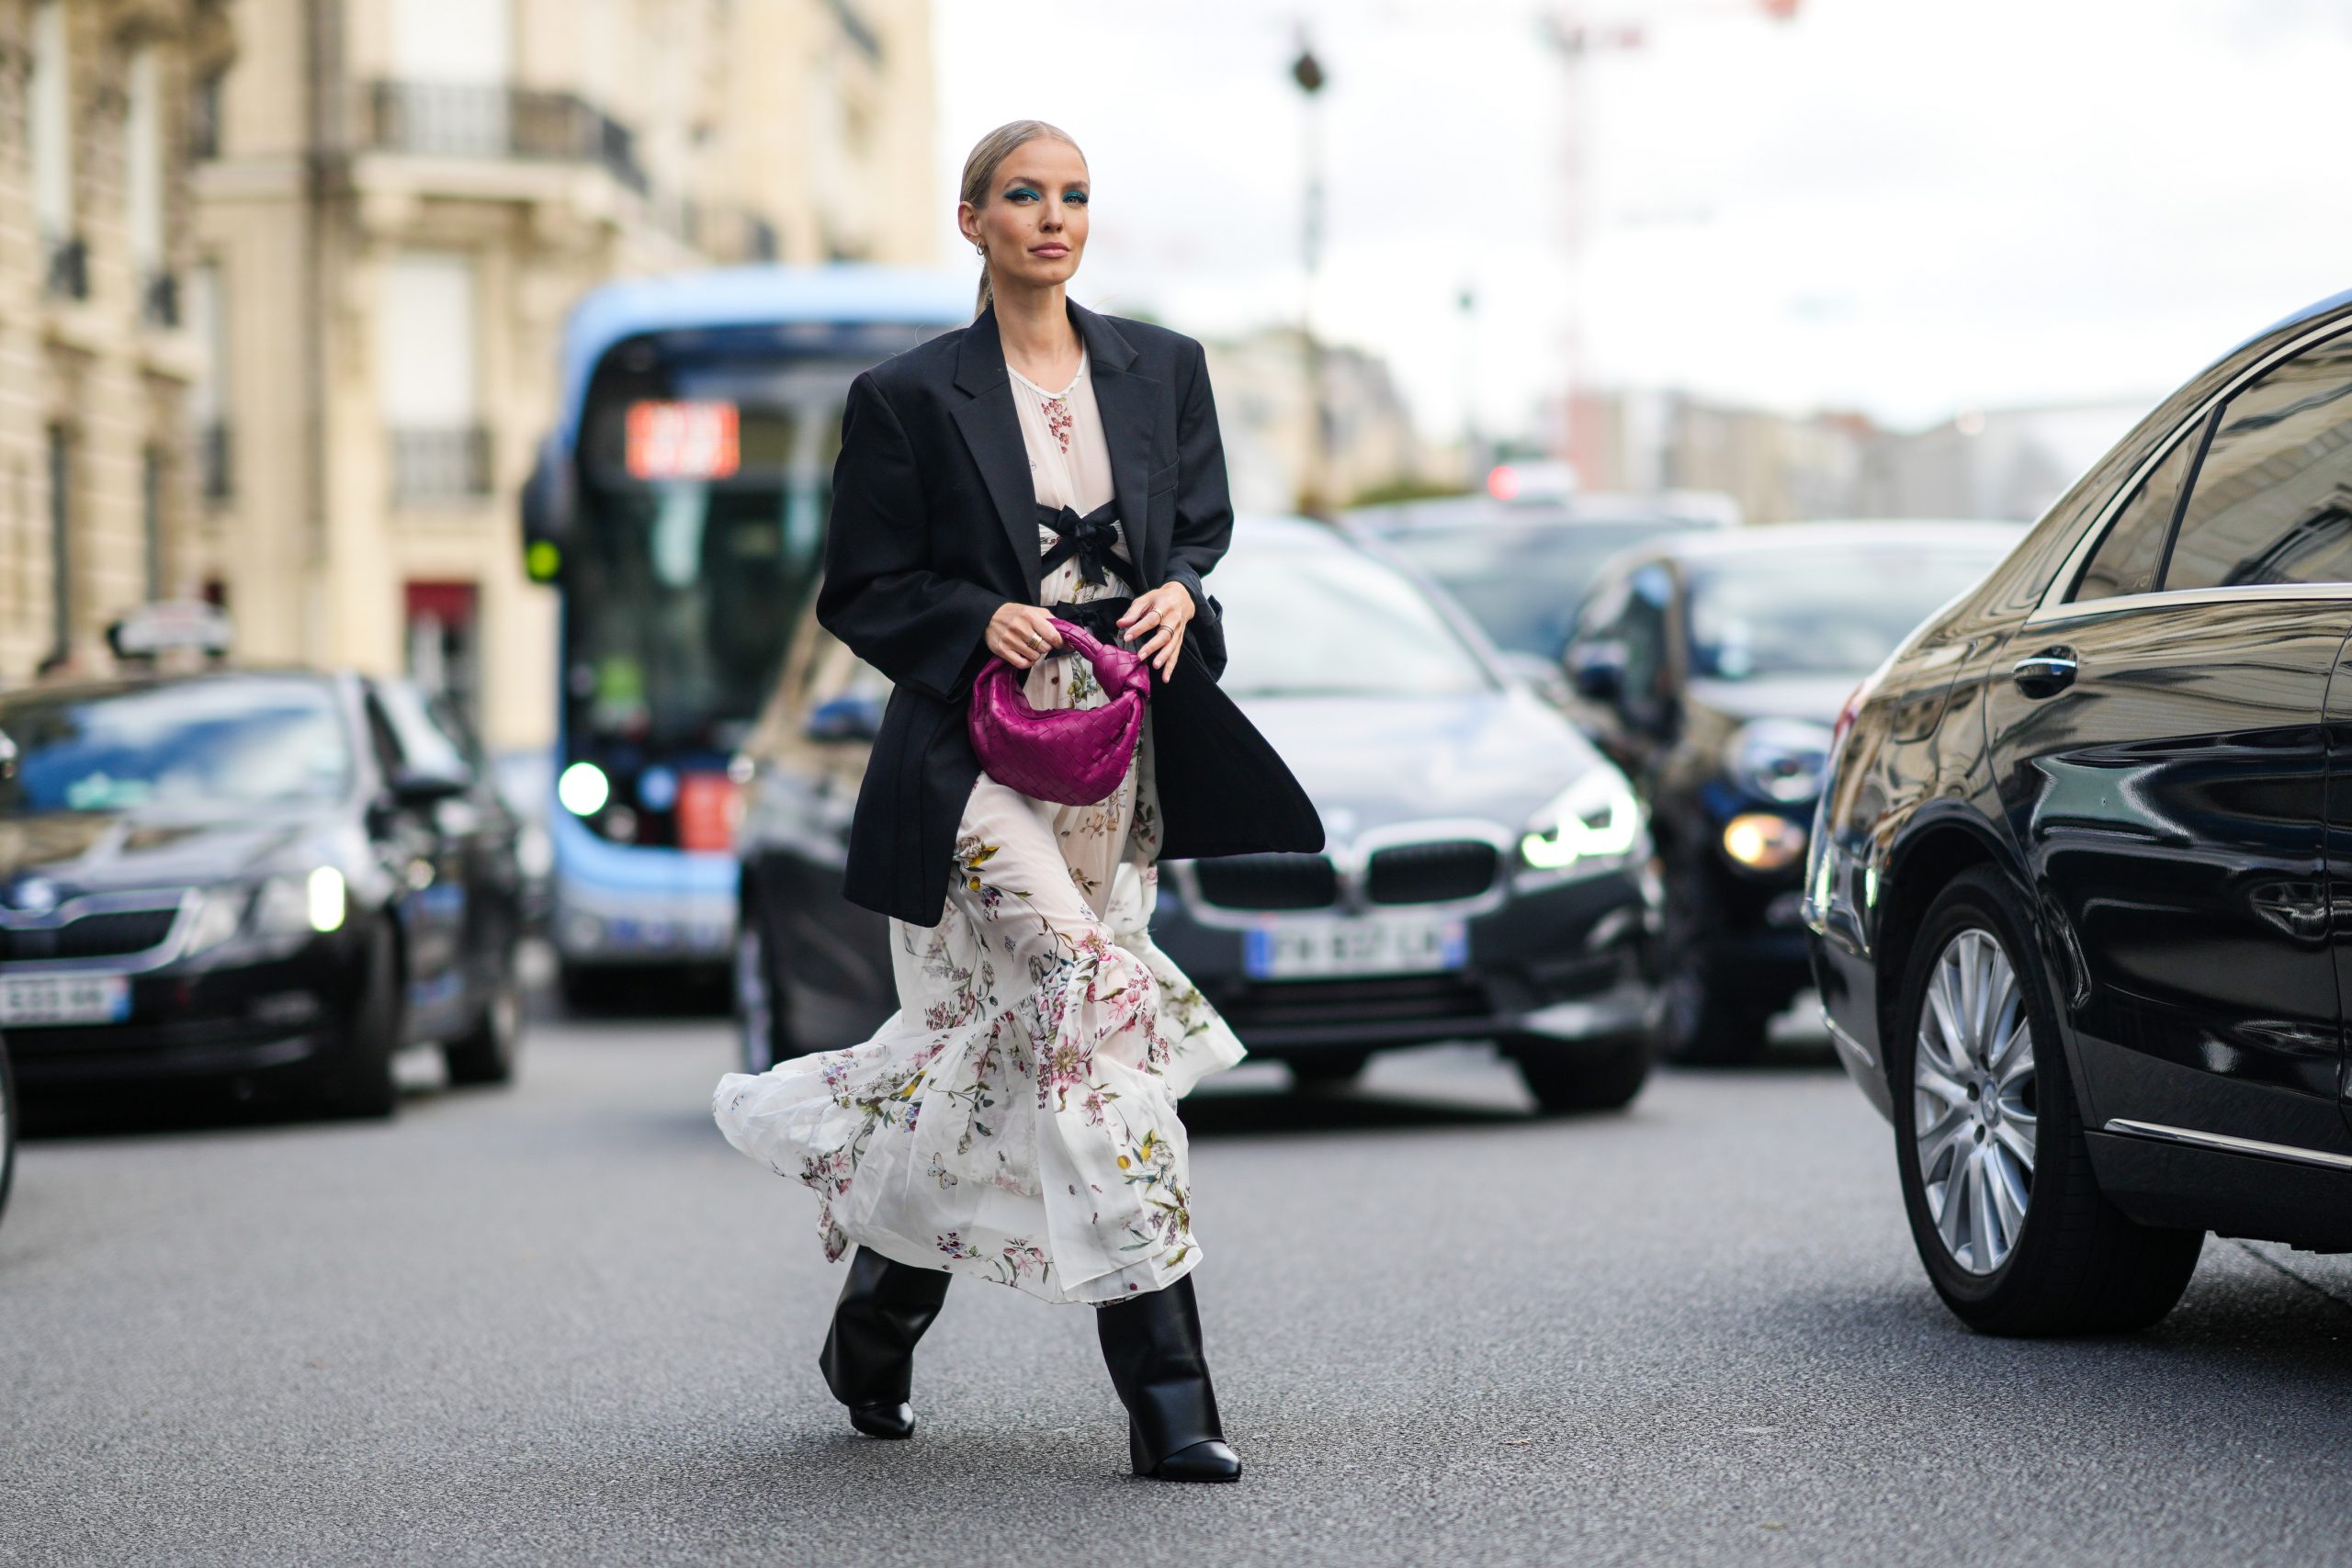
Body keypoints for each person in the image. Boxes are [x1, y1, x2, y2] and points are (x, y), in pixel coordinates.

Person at [712, 120, 1322, 1482]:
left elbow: (1201, 527)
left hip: (1115, 763)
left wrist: (1184, 593)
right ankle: (1174, 1401)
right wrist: (975, 616)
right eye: (1025, 197)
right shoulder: (910, 396)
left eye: (1076, 197)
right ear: (973, 219)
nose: (1055, 217)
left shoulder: (1163, 368)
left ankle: (871, 1330)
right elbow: (861, 589)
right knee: (1097, 1018)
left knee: (988, 1070)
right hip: (975, 771)